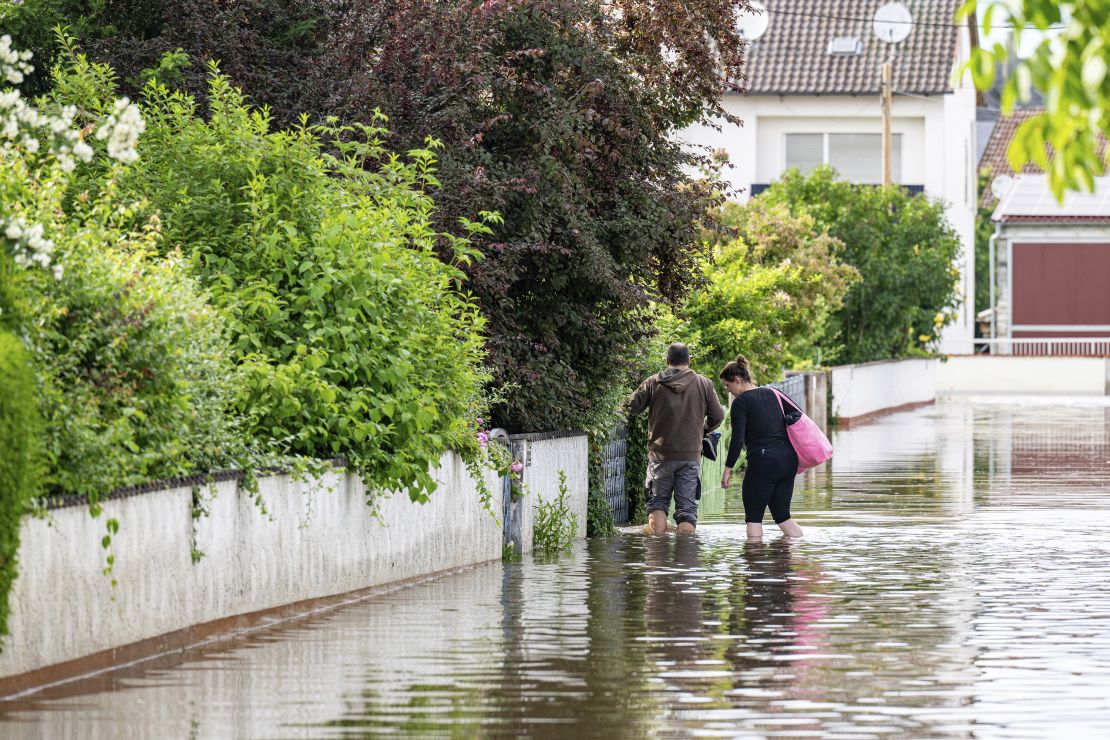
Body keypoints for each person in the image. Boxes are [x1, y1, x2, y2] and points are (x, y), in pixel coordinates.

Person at [629, 343, 724, 535]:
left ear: (667, 361)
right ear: (689, 361)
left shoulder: (653, 382)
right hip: (690, 456)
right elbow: (718, 417)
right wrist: (704, 429)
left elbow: (631, 407)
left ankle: (657, 557)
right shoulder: (704, 384)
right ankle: (685, 558)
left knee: (657, 504)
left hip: (659, 456)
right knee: (686, 511)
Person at [719, 355, 804, 541]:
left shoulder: (741, 402)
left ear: (738, 380)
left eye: (727, 385)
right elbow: (799, 416)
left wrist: (727, 469)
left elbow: (737, 439)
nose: (728, 390)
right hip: (788, 459)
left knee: (754, 517)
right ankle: (799, 552)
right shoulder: (774, 393)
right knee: (783, 515)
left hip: (764, 461)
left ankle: (755, 564)